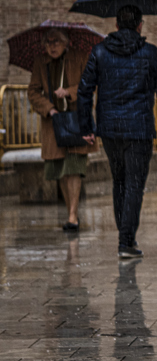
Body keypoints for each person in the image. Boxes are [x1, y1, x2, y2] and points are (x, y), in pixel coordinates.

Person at [78, 4, 157, 259]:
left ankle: (124, 237)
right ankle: (126, 240)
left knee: (119, 181)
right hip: (139, 128)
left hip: (110, 129)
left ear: (116, 25)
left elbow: (85, 90)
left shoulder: (99, 52)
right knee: (134, 185)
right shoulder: (152, 54)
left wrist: (86, 126)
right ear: (140, 25)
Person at [28, 28, 92, 232]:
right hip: (53, 123)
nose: (52, 46)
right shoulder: (40, 62)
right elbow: (33, 91)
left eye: (56, 41)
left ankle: (73, 216)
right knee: (62, 171)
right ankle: (70, 211)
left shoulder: (80, 58)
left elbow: (89, 85)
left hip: (76, 121)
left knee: (73, 167)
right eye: (48, 42)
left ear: (66, 43)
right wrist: (49, 109)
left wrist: (69, 92)